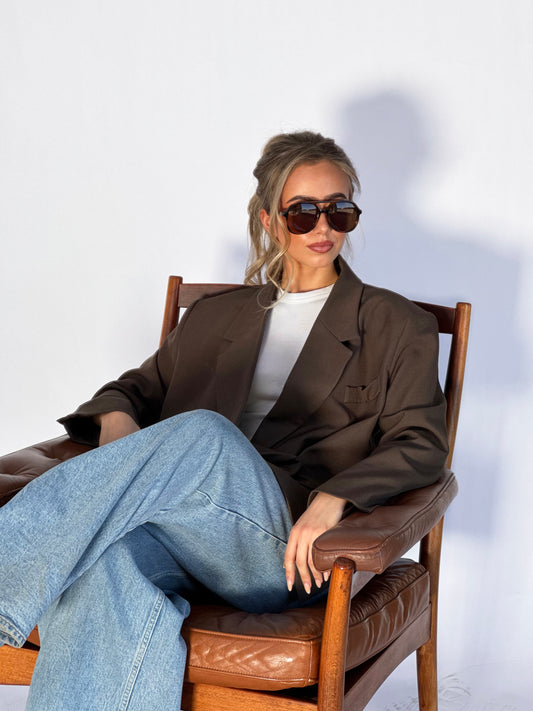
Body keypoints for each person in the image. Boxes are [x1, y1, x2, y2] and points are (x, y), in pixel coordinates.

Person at [0, 131, 448, 710]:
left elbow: (421, 443)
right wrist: (119, 431)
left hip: (287, 548)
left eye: (339, 210)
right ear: (269, 220)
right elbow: (131, 390)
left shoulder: (395, 324)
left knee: (205, 432)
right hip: (183, 535)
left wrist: (335, 498)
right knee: (101, 565)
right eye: (303, 212)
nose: (323, 228)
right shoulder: (216, 316)